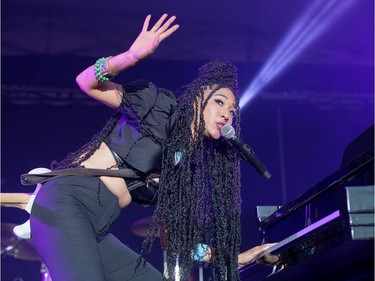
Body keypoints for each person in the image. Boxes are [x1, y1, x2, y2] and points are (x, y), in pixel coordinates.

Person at [25, 13, 275, 281]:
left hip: (95, 229)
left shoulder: (183, 165)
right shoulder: (157, 106)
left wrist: (238, 258)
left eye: (233, 111)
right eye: (219, 102)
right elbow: (86, 82)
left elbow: (176, 242)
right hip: (66, 203)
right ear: (195, 101)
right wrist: (131, 56)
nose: (227, 114)